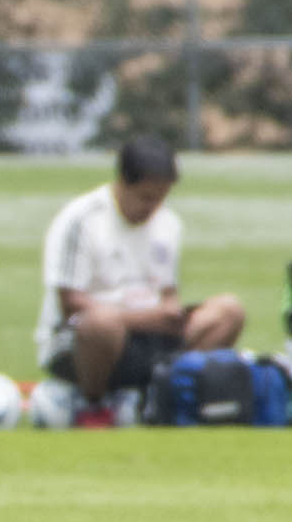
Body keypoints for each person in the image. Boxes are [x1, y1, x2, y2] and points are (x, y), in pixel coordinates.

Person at [35, 135, 246, 428]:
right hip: (84, 341)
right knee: (101, 323)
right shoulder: (82, 220)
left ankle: (162, 396)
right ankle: (93, 406)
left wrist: (171, 312)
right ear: (122, 182)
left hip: (152, 334)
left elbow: (167, 292)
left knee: (228, 311)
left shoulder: (168, 223)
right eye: (146, 198)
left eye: (161, 198)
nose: (153, 207)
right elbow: (70, 303)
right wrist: (147, 319)